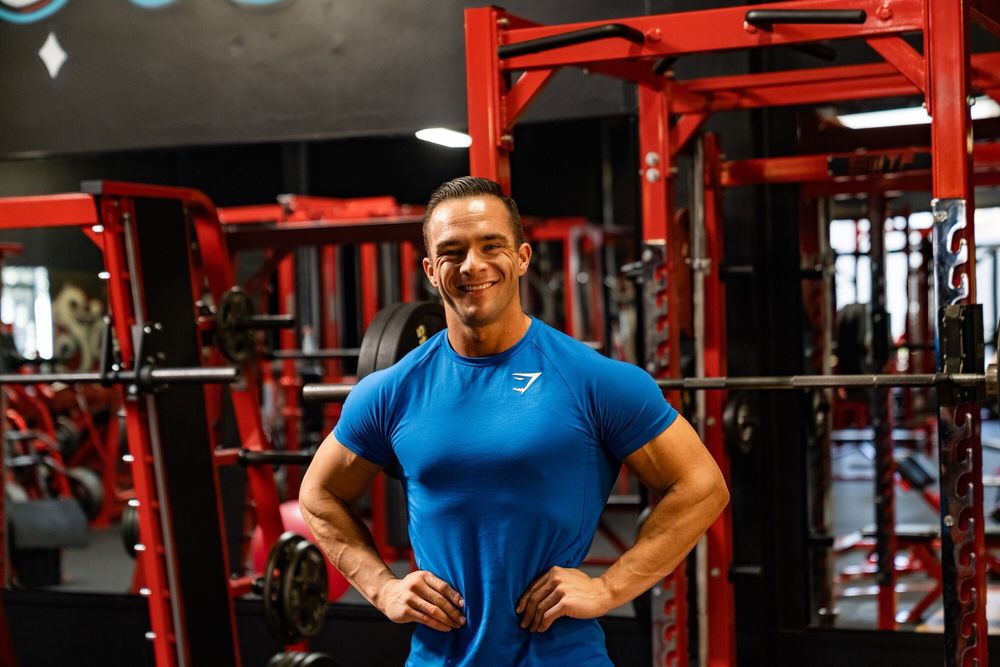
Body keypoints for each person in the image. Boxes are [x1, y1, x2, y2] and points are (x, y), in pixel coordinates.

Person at [300, 176, 729, 666]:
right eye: (452, 252)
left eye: (491, 246)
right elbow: (318, 494)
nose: (472, 265)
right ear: (431, 270)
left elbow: (702, 486)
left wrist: (610, 587)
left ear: (522, 258)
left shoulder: (593, 379)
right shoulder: (391, 390)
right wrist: (382, 588)